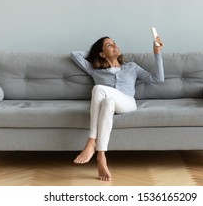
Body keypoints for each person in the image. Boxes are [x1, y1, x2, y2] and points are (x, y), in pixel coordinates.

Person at [70, 35, 164, 181]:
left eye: (114, 43)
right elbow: (75, 54)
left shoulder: (131, 67)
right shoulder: (95, 69)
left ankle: (91, 141)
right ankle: (101, 156)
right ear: (101, 54)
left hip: (127, 103)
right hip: (110, 104)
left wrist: (157, 52)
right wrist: (96, 52)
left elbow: (158, 79)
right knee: (107, 101)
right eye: (109, 45)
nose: (115, 46)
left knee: (98, 88)